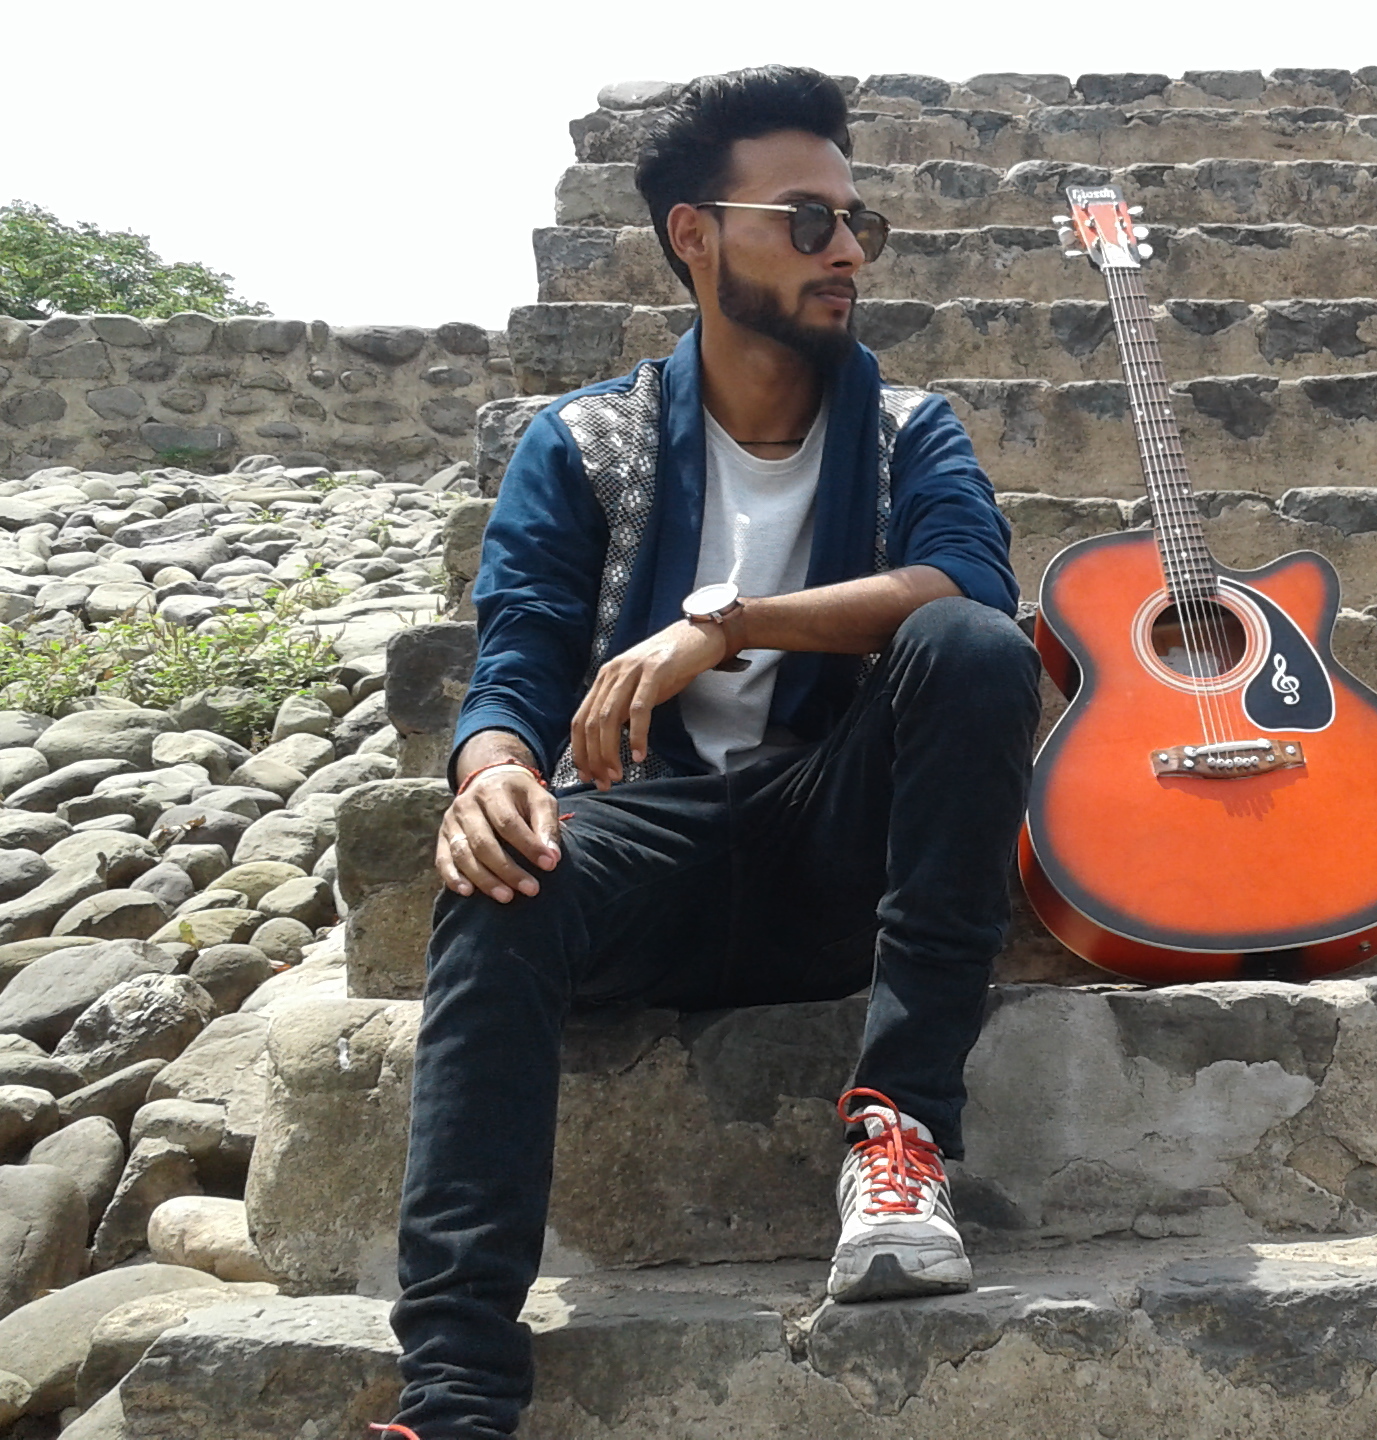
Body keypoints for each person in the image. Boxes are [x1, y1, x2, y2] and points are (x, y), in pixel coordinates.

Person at [373, 65, 1039, 1440]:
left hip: (842, 857)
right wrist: (490, 772)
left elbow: (971, 585)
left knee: (972, 647)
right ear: (695, 236)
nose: (847, 252)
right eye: (807, 220)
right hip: (653, 846)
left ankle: (900, 1136)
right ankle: (454, 1397)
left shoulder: (909, 430)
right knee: (498, 875)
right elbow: (519, 657)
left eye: (857, 223)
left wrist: (724, 626)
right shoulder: (583, 443)